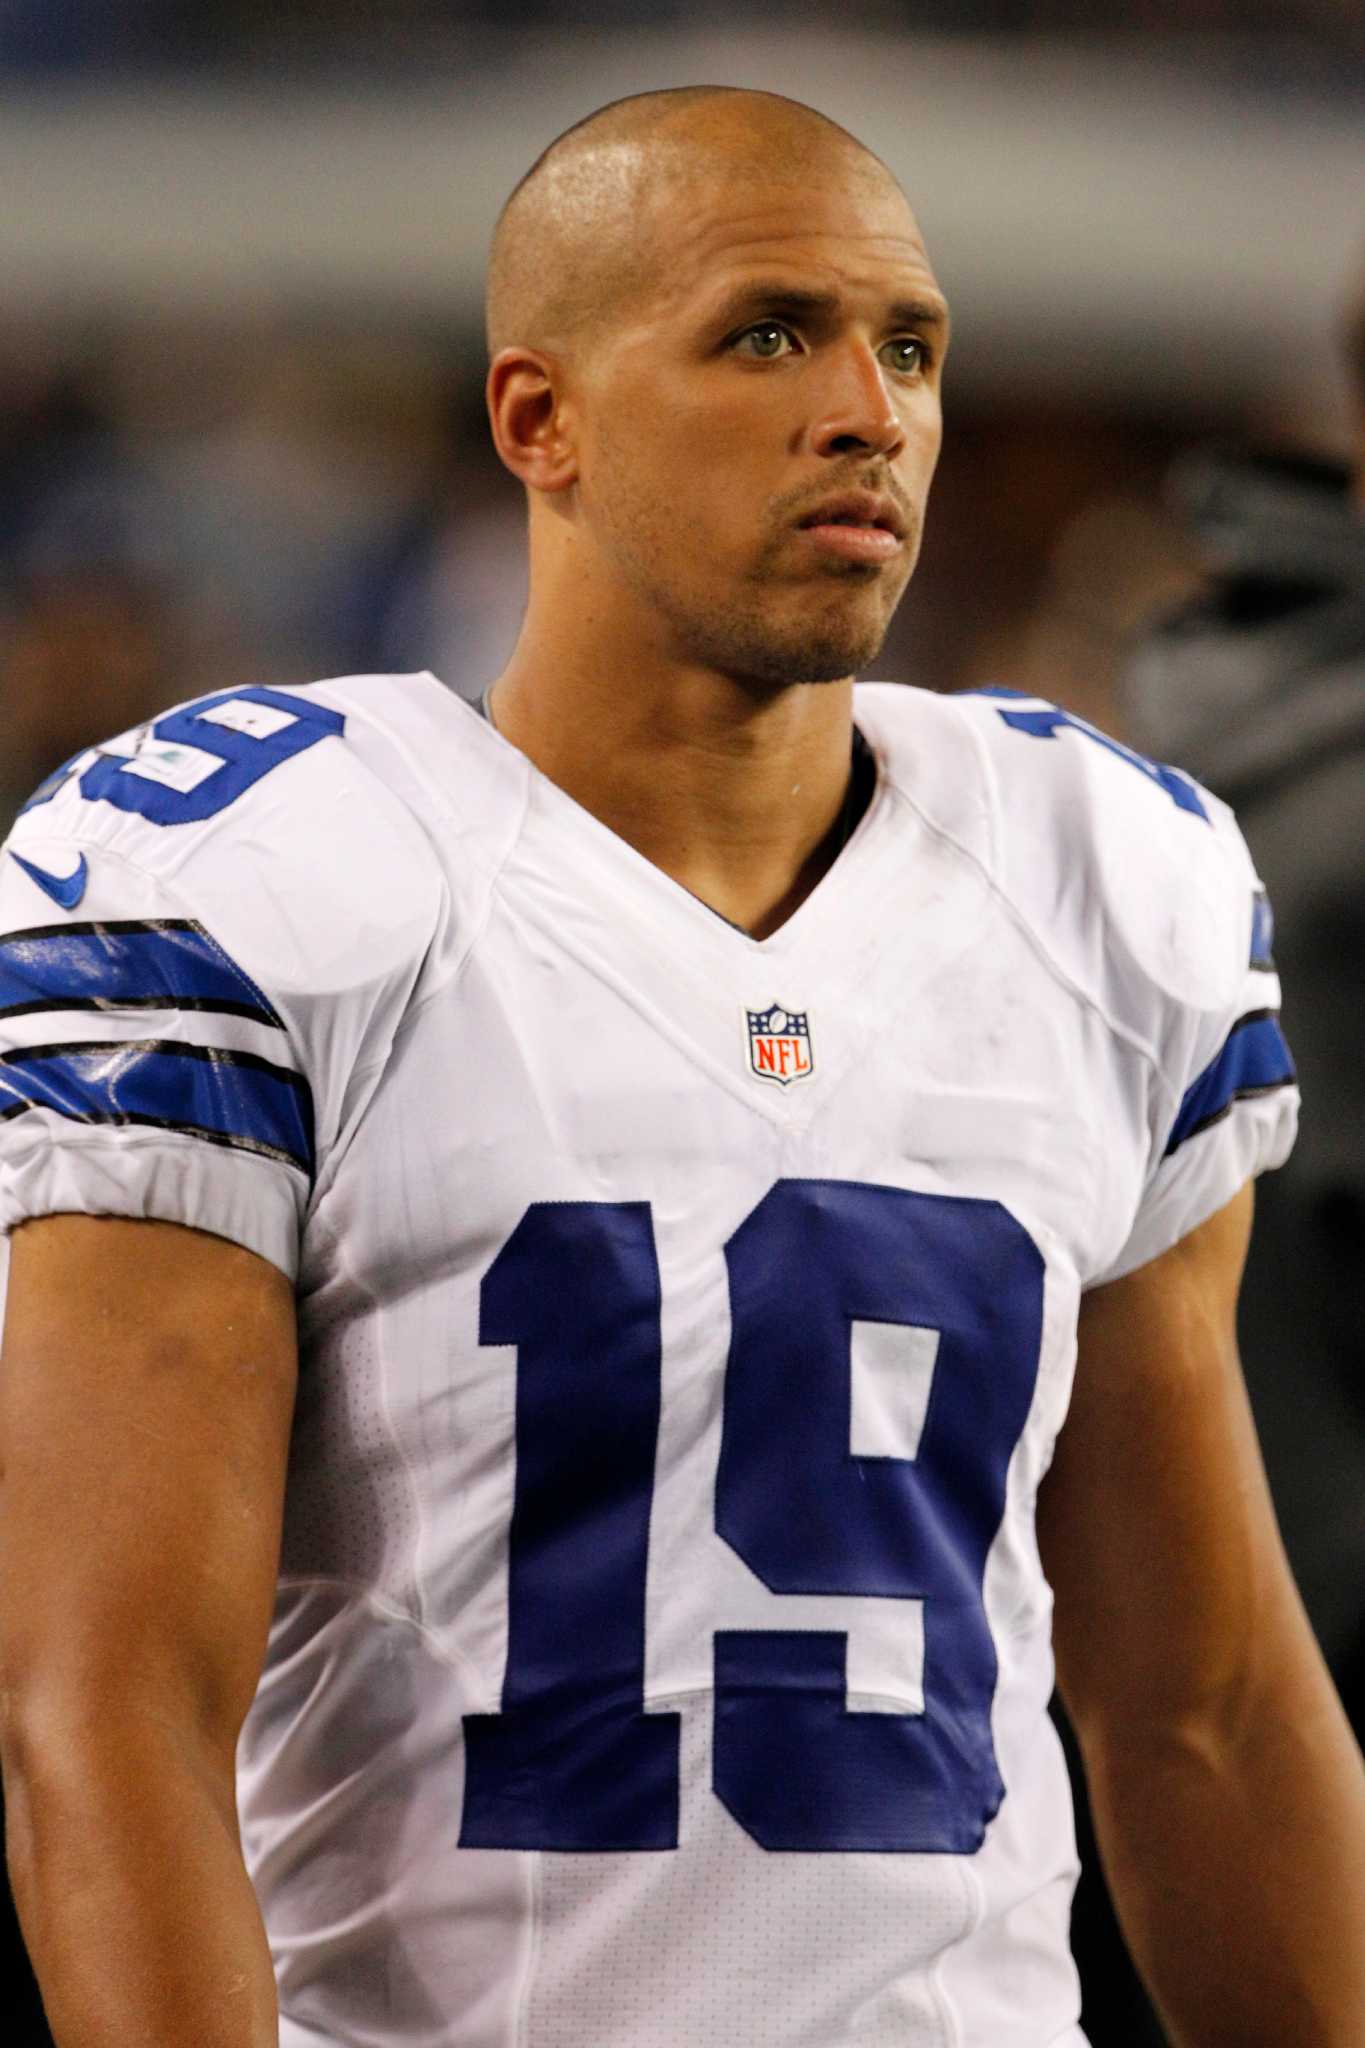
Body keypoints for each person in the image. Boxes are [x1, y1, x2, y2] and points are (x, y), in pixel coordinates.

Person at [0, 86, 1361, 2048]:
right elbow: (101, 1710)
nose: (865, 410)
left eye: (908, 348)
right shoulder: (251, 873)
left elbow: (1202, 1701)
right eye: (764, 333)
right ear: (535, 418)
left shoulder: (1103, 877)